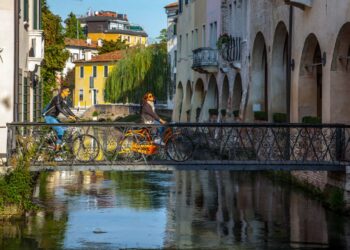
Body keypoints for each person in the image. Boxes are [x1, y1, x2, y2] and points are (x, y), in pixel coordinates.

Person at [42, 85, 77, 151]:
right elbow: (59, 108)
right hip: (49, 117)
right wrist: (68, 116)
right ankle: (57, 150)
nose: (69, 93)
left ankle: (56, 143)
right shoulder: (57, 98)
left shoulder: (62, 99)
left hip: (54, 117)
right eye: (68, 91)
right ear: (63, 91)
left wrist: (74, 116)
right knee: (60, 130)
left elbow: (67, 108)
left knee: (65, 128)